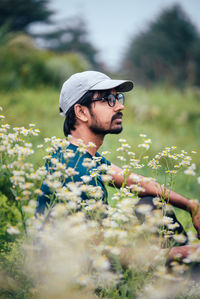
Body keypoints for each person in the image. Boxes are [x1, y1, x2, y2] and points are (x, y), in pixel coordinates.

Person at [36, 70, 200, 258]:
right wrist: (186, 252)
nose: (120, 106)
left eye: (118, 98)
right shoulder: (77, 174)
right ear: (81, 112)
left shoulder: (78, 155)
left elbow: (139, 184)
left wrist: (192, 206)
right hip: (70, 277)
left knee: (151, 203)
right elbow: (101, 257)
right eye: (108, 100)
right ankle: (184, 277)